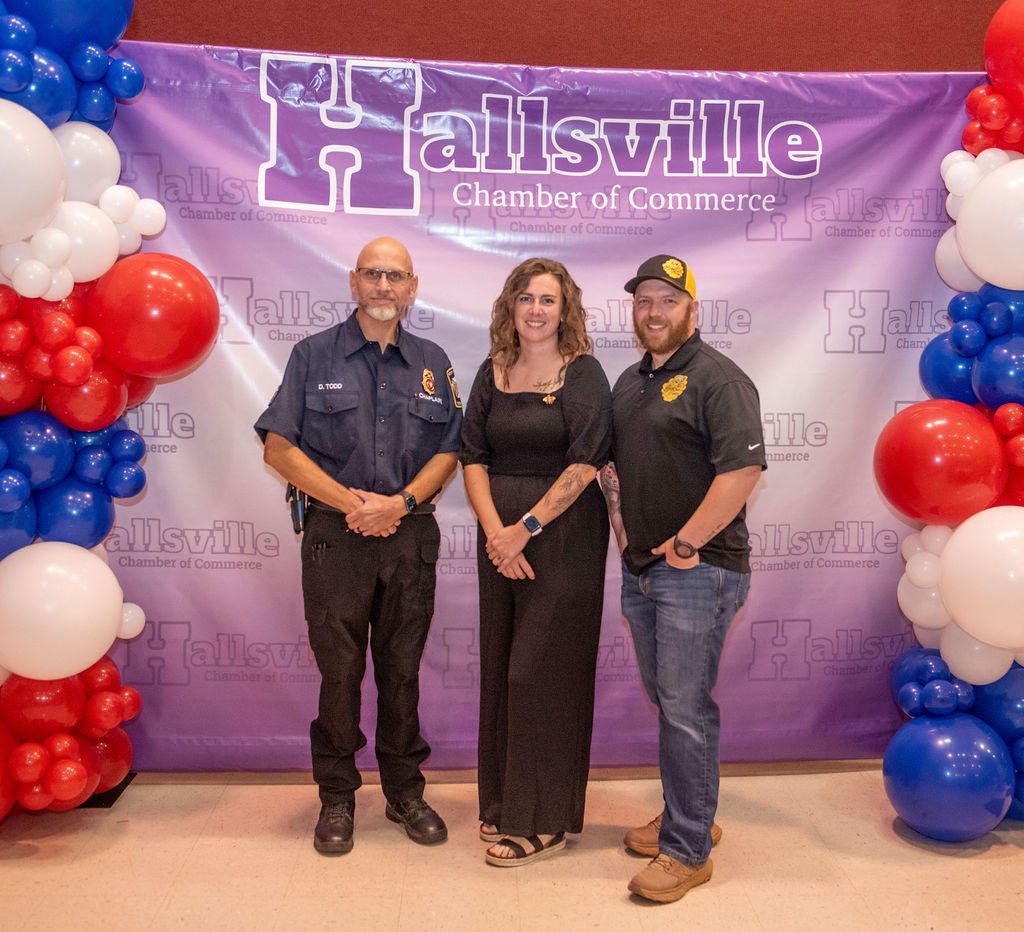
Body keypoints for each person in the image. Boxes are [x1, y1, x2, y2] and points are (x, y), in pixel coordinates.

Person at [254, 237, 462, 856]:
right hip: (335, 539)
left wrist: (397, 505)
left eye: (396, 276)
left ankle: (404, 792)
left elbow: (450, 450)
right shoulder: (312, 354)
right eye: (373, 274)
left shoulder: (433, 361)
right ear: (353, 281)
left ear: (412, 287)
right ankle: (337, 795)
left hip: (409, 536)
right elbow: (278, 447)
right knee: (340, 674)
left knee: (401, 672)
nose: (383, 286)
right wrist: (355, 505)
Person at [601, 254, 765, 902]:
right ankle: (687, 814)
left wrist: (688, 542)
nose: (654, 311)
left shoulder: (719, 379)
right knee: (672, 704)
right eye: (644, 300)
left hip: (701, 571)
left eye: (668, 300)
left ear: (692, 309)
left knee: (685, 709)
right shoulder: (629, 381)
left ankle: (688, 850)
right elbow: (614, 470)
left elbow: (742, 472)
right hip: (642, 571)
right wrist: (625, 536)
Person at [460, 257, 611, 867]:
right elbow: (472, 456)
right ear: (510, 307)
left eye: (548, 299)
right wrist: (497, 535)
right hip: (499, 543)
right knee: (501, 669)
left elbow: (587, 462)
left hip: (562, 539)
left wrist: (524, 529)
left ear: (565, 309)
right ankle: (503, 800)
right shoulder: (492, 369)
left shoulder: (584, 372)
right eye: (526, 298)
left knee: (542, 673)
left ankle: (545, 820)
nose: (536, 309)